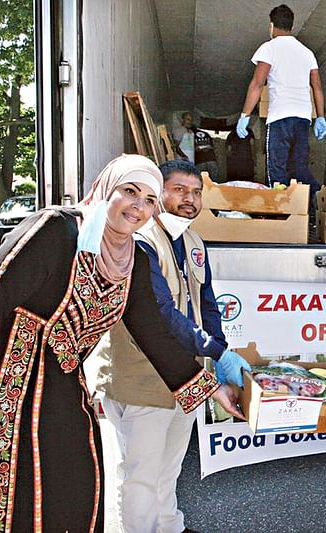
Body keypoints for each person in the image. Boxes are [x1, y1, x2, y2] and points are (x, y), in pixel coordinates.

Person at [0, 154, 242, 531]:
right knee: (15, 481)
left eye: (148, 200)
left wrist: (213, 390)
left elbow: (153, 334)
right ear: (107, 188)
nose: (138, 207)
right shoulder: (56, 230)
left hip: (62, 384)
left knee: (77, 480)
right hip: (8, 380)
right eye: (130, 192)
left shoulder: (132, 260)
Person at [89, 160, 251, 533]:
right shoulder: (140, 241)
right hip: (141, 375)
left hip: (187, 373)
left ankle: (169, 526)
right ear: (157, 193)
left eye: (196, 192)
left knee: (170, 464)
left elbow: (207, 303)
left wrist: (218, 351)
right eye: (178, 189)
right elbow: (160, 314)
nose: (189, 199)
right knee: (140, 475)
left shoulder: (193, 241)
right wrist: (217, 351)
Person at [235, 3, 326, 197]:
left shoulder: (269, 48)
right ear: (291, 26)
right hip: (303, 118)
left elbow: (257, 84)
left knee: (277, 170)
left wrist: (245, 115)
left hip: (280, 117)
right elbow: (317, 87)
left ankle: (283, 215)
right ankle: (319, 201)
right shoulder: (307, 52)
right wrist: (320, 117)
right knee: (299, 168)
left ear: (271, 25)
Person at [174, 112, 220, 183]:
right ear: (182, 119)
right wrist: (184, 156)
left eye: (191, 120)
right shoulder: (178, 130)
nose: (189, 122)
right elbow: (177, 146)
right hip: (183, 160)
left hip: (191, 162)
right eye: (188, 119)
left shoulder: (191, 132)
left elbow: (191, 147)